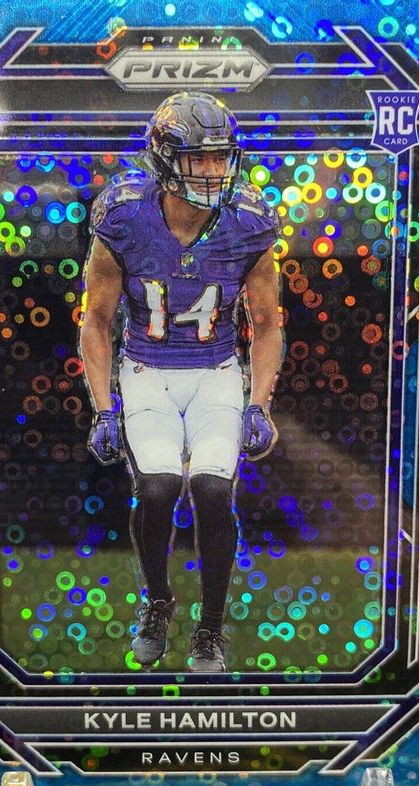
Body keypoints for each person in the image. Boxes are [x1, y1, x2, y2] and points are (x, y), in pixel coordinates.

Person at [81, 91, 282, 673]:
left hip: (216, 371)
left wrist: (259, 403)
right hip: (147, 369)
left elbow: (267, 323)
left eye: (221, 157)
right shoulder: (124, 215)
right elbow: (96, 320)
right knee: (159, 488)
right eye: (200, 158)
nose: (214, 170)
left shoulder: (248, 221)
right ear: (166, 158)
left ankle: (210, 628)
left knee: (214, 493)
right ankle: (158, 602)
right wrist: (103, 407)